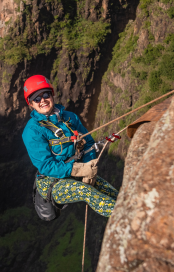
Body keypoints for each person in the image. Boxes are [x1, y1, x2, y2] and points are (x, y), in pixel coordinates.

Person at [22, 75, 118, 217]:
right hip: (51, 182)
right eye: (36, 98)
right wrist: (79, 170)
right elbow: (46, 166)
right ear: (31, 103)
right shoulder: (32, 131)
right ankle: (129, 219)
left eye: (46, 95)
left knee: (110, 191)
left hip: (76, 171)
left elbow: (89, 143)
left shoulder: (70, 117)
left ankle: (137, 210)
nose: (42, 100)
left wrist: (89, 165)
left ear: (52, 95)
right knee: (86, 192)